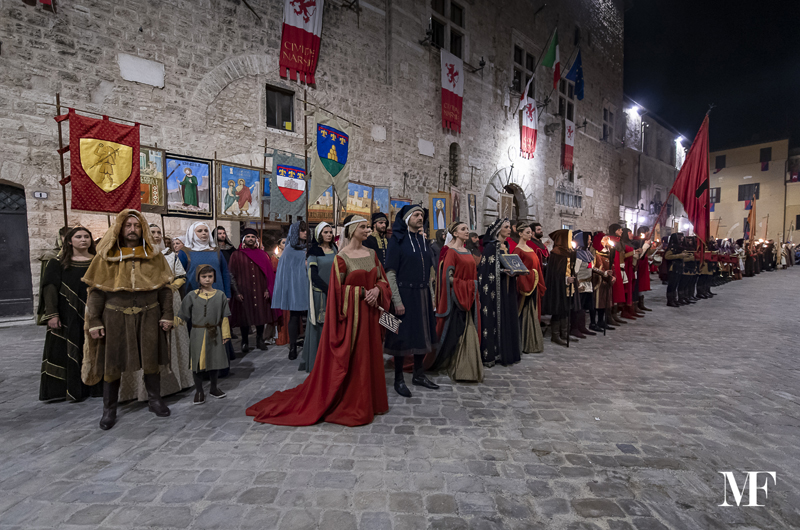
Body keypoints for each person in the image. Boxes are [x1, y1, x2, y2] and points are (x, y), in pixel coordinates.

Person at [246, 215, 391, 427]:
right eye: (363, 227)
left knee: (371, 355)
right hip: (353, 318)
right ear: (352, 230)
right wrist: (361, 292)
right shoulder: (342, 257)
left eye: (367, 227)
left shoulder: (372, 254)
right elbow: (337, 291)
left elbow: (382, 279)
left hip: (370, 315)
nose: (367, 230)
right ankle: (356, 401)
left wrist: (377, 289)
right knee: (357, 358)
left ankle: (372, 400)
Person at [81, 210, 175, 430]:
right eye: (128, 225)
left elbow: (164, 289)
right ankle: (109, 409)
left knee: (151, 359)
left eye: (137, 225)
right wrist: (94, 320)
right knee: (112, 362)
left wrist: (167, 314)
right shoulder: (105, 256)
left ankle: (154, 400)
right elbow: (96, 292)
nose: (132, 229)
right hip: (114, 316)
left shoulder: (154, 256)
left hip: (149, 314)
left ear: (142, 229)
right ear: (119, 228)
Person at [118, 231, 194, 404]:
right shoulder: (133, 256)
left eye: (159, 232)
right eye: (152, 232)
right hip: (143, 300)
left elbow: (181, 275)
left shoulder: (170, 256)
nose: (156, 235)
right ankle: (140, 389)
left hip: (170, 297)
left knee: (172, 338)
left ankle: (178, 382)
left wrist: (171, 287)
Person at [38, 226, 102, 402]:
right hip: (67, 314)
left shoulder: (98, 262)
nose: (83, 240)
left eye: (86, 236)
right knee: (66, 350)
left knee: (94, 349)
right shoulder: (57, 263)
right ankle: (65, 390)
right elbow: (50, 289)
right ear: (69, 241)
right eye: (78, 237)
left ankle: (94, 387)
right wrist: (52, 314)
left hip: (94, 313)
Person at [384, 205, 439, 397]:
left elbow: (430, 274)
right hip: (404, 294)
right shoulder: (396, 241)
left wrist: (432, 297)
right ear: (407, 219)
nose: (420, 217)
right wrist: (397, 301)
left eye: (421, 215)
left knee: (422, 334)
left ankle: (418, 374)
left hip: (422, 295)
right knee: (401, 337)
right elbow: (390, 272)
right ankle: (398, 378)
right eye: (416, 215)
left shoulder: (423, 241)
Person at [431, 221, 483, 382]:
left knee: (468, 331)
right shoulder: (451, 252)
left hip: (469, 296)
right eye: (463, 229)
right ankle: (455, 365)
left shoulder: (467, 251)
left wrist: (472, 288)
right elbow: (447, 277)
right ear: (455, 233)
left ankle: (467, 367)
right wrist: (466, 285)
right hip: (457, 298)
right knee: (456, 332)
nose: (467, 231)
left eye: (467, 228)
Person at [178, 265, 232, 404]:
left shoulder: (220, 295)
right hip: (198, 333)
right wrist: (171, 323)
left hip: (215, 332)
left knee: (214, 360)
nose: (207, 279)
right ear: (198, 278)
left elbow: (224, 317)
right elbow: (182, 315)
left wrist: (225, 334)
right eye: (204, 277)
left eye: (210, 276)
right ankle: (199, 391)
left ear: (214, 277)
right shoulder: (192, 296)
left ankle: (214, 388)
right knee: (197, 362)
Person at [477, 217, 521, 365]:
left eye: (509, 227)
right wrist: (503, 271)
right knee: (495, 318)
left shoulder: (506, 245)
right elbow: (486, 271)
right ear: (498, 230)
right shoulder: (491, 247)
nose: (509, 230)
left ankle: (506, 351)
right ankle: (493, 353)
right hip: (495, 289)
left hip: (507, 287)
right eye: (506, 227)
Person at [228, 228, 278, 353]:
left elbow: (268, 274)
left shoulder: (262, 254)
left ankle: (260, 339)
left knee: (260, 315)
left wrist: (267, 289)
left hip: (260, 289)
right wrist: (236, 292)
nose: (250, 239)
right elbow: (231, 274)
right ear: (244, 239)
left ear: (256, 239)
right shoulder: (236, 255)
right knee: (245, 316)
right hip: (244, 290)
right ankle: (244, 341)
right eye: (248, 236)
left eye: (253, 237)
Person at [301, 222, 337, 373]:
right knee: (319, 326)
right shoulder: (314, 251)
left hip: (334, 293)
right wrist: (328, 289)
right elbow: (313, 275)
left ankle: (331, 361)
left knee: (332, 326)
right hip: (320, 295)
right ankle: (317, 362)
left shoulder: (335, 249)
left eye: (330, 232)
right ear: (319, 234)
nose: (329, 234)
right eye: (325, 232)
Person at [272, 221, 310, 360]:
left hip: (309, 285)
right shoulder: (289, 249)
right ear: (295, 232)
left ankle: (309, 343)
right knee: (294, 317)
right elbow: (285, 272)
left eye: (306, 230)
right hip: (296, 287)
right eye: (301, 230)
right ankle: (293, 346)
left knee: (309, 317)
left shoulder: (309, 247)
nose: (305, 233)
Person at [513, 223, 546, 353]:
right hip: (525, 285)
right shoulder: (517, 250)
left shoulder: (530, 249)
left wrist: (536, 277)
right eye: (527, 232)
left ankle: (532, 341)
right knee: (525, 313)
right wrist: (531, 276)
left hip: (534, 284)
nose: (530, 235)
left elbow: (537, 267)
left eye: (530, 232)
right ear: (520, 234)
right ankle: (524, 343)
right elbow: (517, 271)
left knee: (533, 312)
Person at [542, 229, 577, 347]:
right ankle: (555, 335)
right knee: (558, 309)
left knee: (566, 309)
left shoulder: (569, 252)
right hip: (559, 286)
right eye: (569, 237)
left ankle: (564, 333)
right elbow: (554, 273)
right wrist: (566, 279)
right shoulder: (556, 253)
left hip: (568, 287)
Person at [570, 230, 596, 338]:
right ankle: (574, 328)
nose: (590, 241)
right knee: (578, 307)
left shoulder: (587, 253)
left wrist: (604, 273)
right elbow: (575, 271)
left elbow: (591, 268)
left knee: (584, 306)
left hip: (588, 284)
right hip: (580, 285)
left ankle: (582, 327)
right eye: (588, 239)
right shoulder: (578, 254)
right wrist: (577, 284)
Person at [592, 232, 616, 331]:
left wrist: (613, 276)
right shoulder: (596, 253)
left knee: (604, 302)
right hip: (599, 280)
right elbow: (594, 267)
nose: (607, 240)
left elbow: (612, 265)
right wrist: (604, 273)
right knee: (597, 302)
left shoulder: (608, 252)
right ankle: (594, 322)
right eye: (605, 239)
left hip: (607, 280)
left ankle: (601, 321)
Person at [664, 233, 688, 307]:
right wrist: (680, 255)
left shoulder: (679, 247)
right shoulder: (672, 247)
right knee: (672, 284)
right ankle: (670, 300)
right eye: (680, 237)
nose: (682, 239)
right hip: (673, 267)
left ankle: (674, 299)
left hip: (678, 267)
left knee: (675, 284)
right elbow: (667, 256)